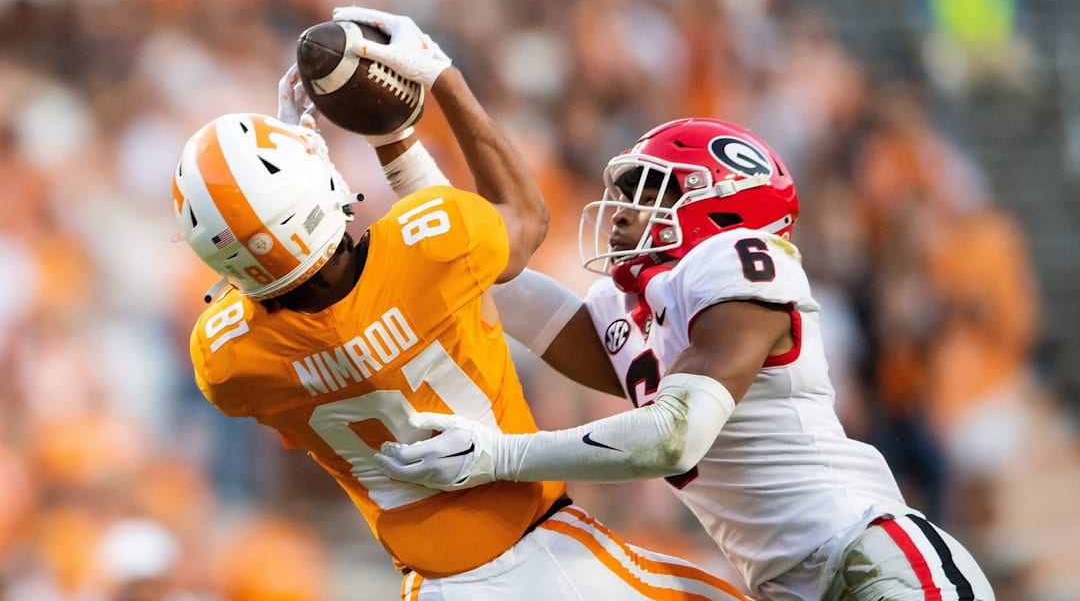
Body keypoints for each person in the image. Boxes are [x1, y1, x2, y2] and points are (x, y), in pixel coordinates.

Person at [173, 6, 749, 601]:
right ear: (319, 189)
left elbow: (267, 271)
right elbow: (524, 218)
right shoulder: (425, 247)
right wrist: (440, 81)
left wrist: (280, 188)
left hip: (434, 587)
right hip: (546, 557)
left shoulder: (228, 359)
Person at [372, 118, 997, 600]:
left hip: (870, 559)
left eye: (648, 191)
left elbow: (673, 438)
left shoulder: (741, 262)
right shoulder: (632, 311)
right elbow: (484, 273)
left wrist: (495, 456)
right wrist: (398, 144)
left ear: (720, 203)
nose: (621, 211)